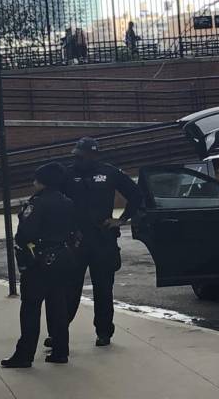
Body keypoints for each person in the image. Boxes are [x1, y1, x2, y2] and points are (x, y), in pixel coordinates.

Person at [47, 137, 142, 348]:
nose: (78, 159)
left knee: (103, 289)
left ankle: (104, 332)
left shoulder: (109, 172)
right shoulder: (67, 175)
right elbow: (53, 199)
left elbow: (136, 195)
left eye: (82, 156)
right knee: (69, 290)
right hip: (75, 240)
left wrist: (122, 219)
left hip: (102, 238)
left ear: (94, 154)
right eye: (76, 155)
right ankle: (58, 333)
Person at [1, 162, 77, 368]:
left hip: (39, 261)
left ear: (42, 181)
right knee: (58, 306)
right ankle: (61, 351)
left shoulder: (37, 203)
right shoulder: (67, 201)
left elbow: (25, 234)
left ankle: (24, 355)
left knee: (31, 308)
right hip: (61, 257)